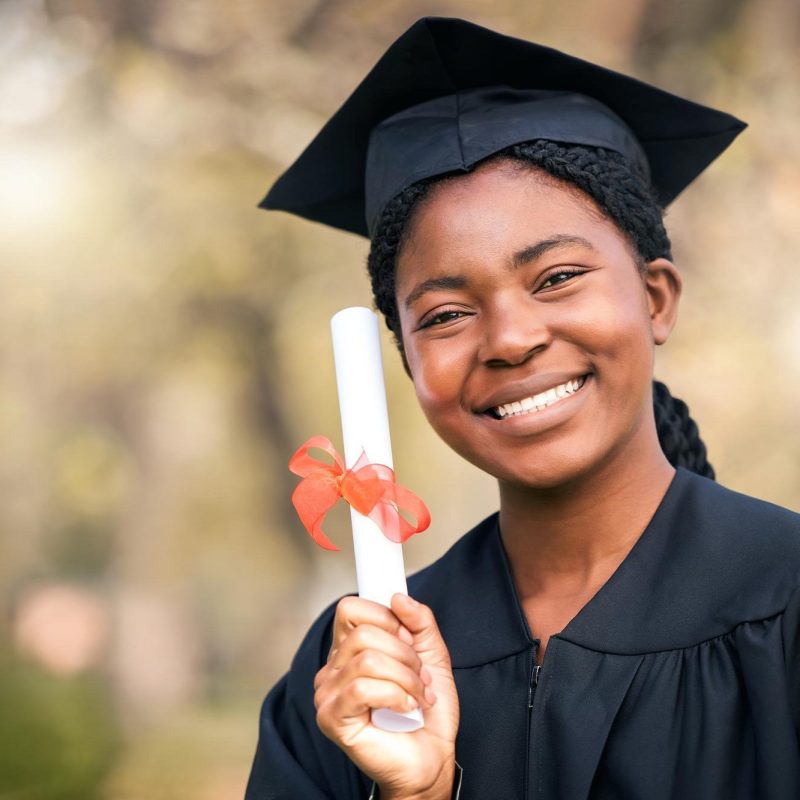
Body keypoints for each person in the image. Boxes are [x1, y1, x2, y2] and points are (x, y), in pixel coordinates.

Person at [245, 17, 800, 800]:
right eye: (444, 315)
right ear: (405, 361)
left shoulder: (785, 601)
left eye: (557, 277)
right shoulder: (358, 672)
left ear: (656, 299)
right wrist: (417, 793)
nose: (509, 339)